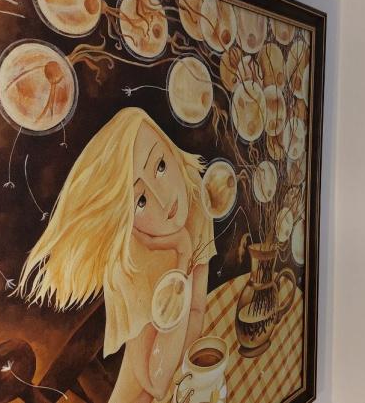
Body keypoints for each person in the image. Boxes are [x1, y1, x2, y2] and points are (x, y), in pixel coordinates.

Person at [14, 106, 216, 402]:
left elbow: (196, 313)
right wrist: (183, 257)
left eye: (160, 165)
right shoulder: (129, 263)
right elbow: (157, 381)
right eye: (141, 201)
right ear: (125, 218)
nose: (164, 201)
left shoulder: (194, 196)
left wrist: (184, 253)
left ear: (171, 150)